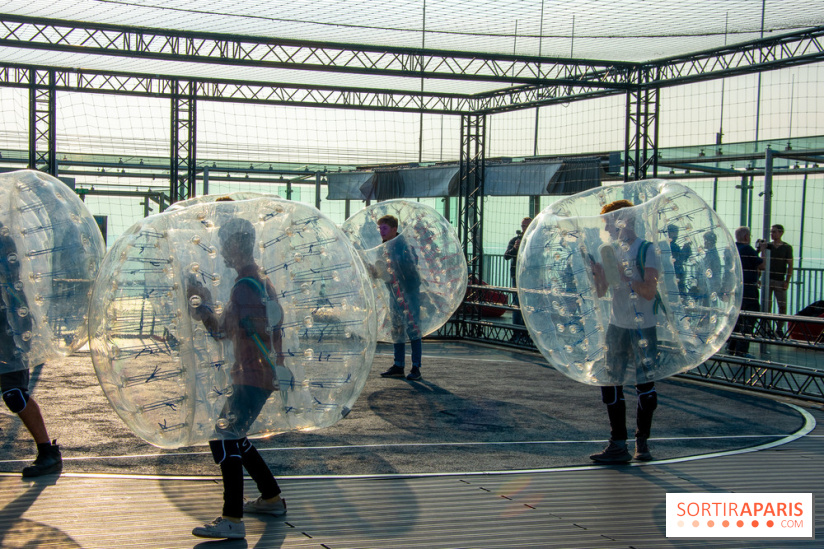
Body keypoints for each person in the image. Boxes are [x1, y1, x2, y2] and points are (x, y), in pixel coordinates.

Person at [188, 216, 288, 540]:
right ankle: (271, 498)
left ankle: (232, 518)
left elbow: (221, 331)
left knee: (223, 436)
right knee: (235, 434)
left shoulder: (245, 287)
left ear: (235, 244)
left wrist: (202, 306)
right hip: (261, 373)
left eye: (223, 243)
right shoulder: (260, 281)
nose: (221, 250)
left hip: (252, 375)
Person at [588, 200, 660, 464]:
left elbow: (649, 291)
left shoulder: (646, 250)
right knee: (611, 385)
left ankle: (642, 442)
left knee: (645, 387)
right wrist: (598, 275)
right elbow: (602, 292)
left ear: (623, 221)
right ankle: (618, 443)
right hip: (617, 325)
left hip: (643, 327)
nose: (606, 228)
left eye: (608, 222)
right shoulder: (610, 250)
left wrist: (623, 274)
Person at [0, 222, 63, 478]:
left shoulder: (5, 243)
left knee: (14, 394)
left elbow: (14, 281)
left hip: (9, 327)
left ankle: (48, 452)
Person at [375, 215, 424, 381]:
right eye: (380, 228)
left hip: (409, 293)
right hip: (394, 293)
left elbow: (411, 266)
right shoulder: (383, 248)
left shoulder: (404, 246)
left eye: (384, 228)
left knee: (413, 328)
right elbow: (383, 271)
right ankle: (398, 365)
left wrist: (391, 271)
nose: (381, 231)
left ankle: (416, 367)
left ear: (394, 229)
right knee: (397, 328)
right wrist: (375, 271)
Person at [727, 227, 763, 357]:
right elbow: (762, 265)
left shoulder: (732, 249)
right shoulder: (748, 249)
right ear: (746, 236)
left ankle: (731, 347)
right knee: (749, 317)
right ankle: (742, 350)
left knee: (737, 318)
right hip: (748, 289)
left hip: (735, 287)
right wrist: (764, 251)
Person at [764, 224, 793, 335]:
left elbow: (790, 265)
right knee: (767, 305)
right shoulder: (768, 246)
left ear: (781, 233)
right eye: (771, 232)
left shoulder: (787, 247)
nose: (772, 234)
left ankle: (779, 329)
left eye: (774, 232)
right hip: (768, 279)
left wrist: (787, 281)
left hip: (780, 280)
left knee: (782, 306)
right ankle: (767, 328)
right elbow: (761, 260)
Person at [504, 217, 532, 328]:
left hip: (530, 276)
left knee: (529, 303)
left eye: (526, 226)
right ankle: (516, 330)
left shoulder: (534, 240)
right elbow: (506, 256)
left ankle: (526, 330)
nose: (524, 228)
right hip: (516, 275)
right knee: (517, 303)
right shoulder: (515, 240)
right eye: (523, 226)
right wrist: (515, 248)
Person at [667, 224, 691, 295]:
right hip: (674, 277)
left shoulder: (668, 245)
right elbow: (678, 261)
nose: (676, 236)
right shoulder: (672, 246)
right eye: (674, 233)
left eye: (677, 233)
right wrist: (685, 250)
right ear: (669, 233)